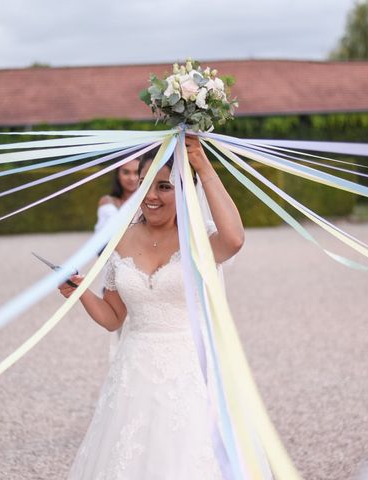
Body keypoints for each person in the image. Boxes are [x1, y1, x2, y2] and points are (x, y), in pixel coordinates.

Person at [59, 136, 244, 478]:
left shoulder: (198, 239)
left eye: (164, 186)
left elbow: (234, 239)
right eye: (146, 184)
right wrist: (80, 292)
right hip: (134, 373)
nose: (152, 196)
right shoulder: (120, 239)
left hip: (190, 370)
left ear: (184, 190)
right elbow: (113, 318)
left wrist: (202, 164)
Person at [94, 159, 140, 361]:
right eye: (126, 172)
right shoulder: (108, 203)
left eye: (136, 173)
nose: (131, 178)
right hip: (119, 274)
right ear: (118, 175)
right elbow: (103, 244)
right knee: (123, 335)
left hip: (146, 276)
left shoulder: (152, 200)